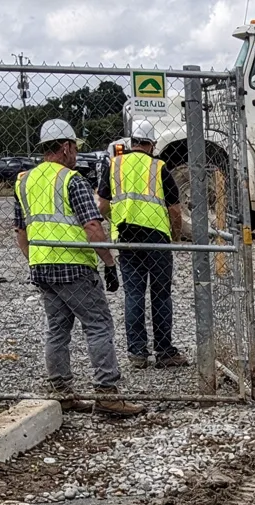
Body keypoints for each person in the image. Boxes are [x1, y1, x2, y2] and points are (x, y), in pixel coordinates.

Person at [12, 119, 145, 419]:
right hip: (75, 266)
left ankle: (62, 392)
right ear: (66, 147)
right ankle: (107, 394)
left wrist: (35, 259)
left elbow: (21, 232)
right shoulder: (72, 181)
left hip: (43, 267)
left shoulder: (23, 181)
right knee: (98, 325)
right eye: (74, 147)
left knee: (56, 329)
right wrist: (109, 263)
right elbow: (92, 226)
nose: (75, 154)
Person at [96, 120, 190, 370]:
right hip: (157, 238)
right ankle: (164, 351)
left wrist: (115, 220)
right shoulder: (159, 167)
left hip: (126, 236)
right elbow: (174, 210)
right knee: (161, 294)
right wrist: (176, 236)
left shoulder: (114, 166)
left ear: (131, 141)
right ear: (152, 144)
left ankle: (137, 352)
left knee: (134, 294)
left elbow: (102, 205)